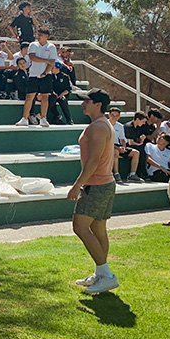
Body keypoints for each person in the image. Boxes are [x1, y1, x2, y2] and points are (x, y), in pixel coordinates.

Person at [68, 89, 120, 294]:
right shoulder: (102, 124)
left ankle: (106, 275)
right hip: (104, 184)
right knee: (98, 229)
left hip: (96, 185)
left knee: (80, 227)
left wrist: (77, 185)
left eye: (87, 101)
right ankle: (101, 273)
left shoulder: (98, 127)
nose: (83, 104)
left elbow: (94, 160)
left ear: (98, 104)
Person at [16, 28, 57, 127]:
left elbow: (52, 62)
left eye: (41, 35)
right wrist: (46, 60)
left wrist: (45, 73)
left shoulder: (51, 47)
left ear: (46, 36)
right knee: (29, 96)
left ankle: (43, 118)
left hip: (46, 76)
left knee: (45, 96)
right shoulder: (33, 45)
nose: (38, 37)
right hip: (33, 75)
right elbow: (32, 57)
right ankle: (24, 118)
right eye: (38, 35)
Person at [107, 106, 139, 183]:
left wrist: (123, 147)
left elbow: (122, 139)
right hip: (107, 146)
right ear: (109, 115)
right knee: (116, 152)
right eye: (112, 115)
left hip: (118, 146)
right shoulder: (105, 124)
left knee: (136, 153)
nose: (114, 117)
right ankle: (116, 174)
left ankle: (132, 174)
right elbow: (106, 141)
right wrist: (118, 148)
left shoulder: (120, 126)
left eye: (116, 116)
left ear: (119, 117)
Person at [46, 60, 74, 125]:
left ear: (57, 68)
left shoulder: (65, 77)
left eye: (53, 67)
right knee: (52, 99)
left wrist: (61, 94)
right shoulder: (50, 77)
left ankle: (69, 119)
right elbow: (49, 87)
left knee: (63, 100)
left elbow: (67, 89)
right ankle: (55, 115)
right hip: (53, 95)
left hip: (62, 94)